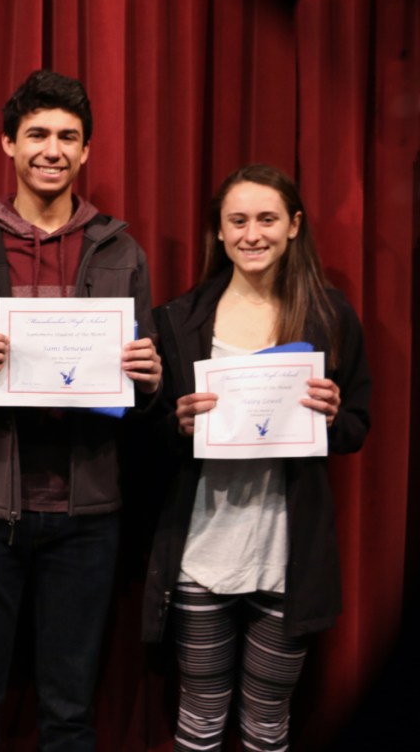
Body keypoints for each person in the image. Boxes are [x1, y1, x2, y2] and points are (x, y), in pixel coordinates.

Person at [0, 69, 161, 751]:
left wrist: (150, 377)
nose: (53, 149)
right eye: (38, 134)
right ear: (8, 144)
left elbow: (139, 380)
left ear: (86, 153)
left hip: (88, 513)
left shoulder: (121, 249)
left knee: (72, 714)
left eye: (68, 137)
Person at [141, 164, 371, 750]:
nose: (252, 234)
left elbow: (356, 430)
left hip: (286, 556)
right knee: (198, 719)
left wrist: (332, 414)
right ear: (219, 232)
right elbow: (148, 439)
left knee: (268, 726)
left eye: (267, 219)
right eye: (237, 221)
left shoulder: (330, 315)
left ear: (294, 226)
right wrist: (178, 422)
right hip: (201, 551)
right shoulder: (179, 317)